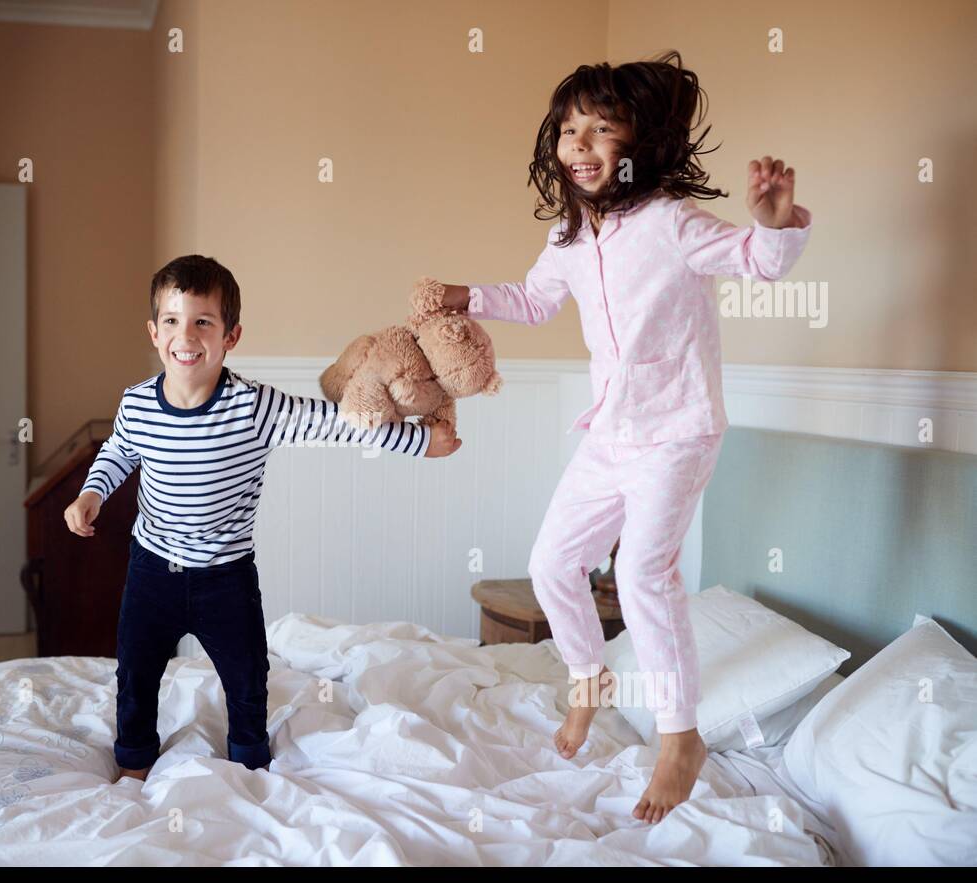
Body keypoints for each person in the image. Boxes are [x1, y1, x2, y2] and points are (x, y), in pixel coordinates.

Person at [435, 51, 813, 823]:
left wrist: (774, 226)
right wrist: (464, 296)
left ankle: (681, 736)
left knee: (643, 573)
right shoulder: (569, 237)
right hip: (610, 432)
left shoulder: (671, 222)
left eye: (601, 129)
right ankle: (589, 680)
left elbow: (753, 262)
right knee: (551, 563)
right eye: (570, 130)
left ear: (639, 145)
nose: (579, 144)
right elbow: (535, 300)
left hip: (678, 430)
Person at [64, 254, 462, 781]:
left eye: (203, 321)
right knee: (136, 671)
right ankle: (134, 760)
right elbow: (119, 452)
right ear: (154, 333)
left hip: (224, 578)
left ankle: (249, 757)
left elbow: (339, 424)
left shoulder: (254, 407)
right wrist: (92, 493)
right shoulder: (136, 404)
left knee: (247, 674)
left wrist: (418, 442)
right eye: (172, 321)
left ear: (231, 336)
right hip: (152, 570)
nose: (187, 335)